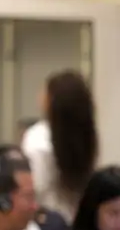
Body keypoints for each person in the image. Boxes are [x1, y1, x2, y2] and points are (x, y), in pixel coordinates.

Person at [22, 70, 98, 221]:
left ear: (51, 100)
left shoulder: (37, 137)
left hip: (46, 221)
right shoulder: (87, 136)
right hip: (77, 220)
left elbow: (34, 188)